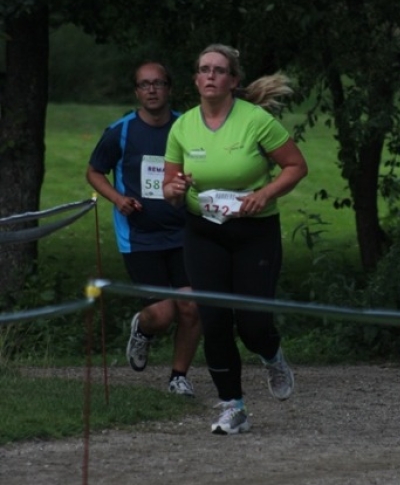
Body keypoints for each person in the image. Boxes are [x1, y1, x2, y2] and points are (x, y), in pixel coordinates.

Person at [163, 44, 308, 433]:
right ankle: (233, 406)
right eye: (204, 69)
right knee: (214, 321)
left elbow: (296, 166)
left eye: (219, 70)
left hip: (254, 232)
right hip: (203, 232)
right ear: (196, 80)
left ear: (233, 80)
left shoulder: (255, 120)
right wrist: (175, 189)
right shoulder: (182, 126)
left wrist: (265, 194)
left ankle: (271, 354)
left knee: (253, 324)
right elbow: (169, 187)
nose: (210, 75)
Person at [86, 61, 200, 396]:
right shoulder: (120, 131)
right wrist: (117, 199)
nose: (152, 90)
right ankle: (144, 329)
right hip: (140, 236)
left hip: (185, 231)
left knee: (193, 306)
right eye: (144, 84)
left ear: (169, 88)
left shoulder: (186, 126)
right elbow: (94, 171)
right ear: (137, 92)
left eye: (158, 83)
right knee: (162, 315)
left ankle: (178, 376)